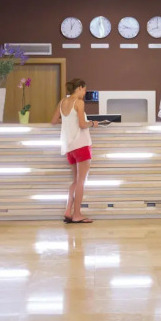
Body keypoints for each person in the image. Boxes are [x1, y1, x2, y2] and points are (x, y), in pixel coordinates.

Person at [51, 78, 99, 224]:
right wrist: (92, 123)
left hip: (69, 147)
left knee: (76, 180)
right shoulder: (79, 103)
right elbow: (83, 125)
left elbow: (54, 121)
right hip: (81, 145)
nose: (84, 93)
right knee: (81, 182)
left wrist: (68, 121)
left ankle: (68, 211)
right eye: (84, 90)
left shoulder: (62, 102)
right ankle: (77, 214)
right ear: (79, 88)